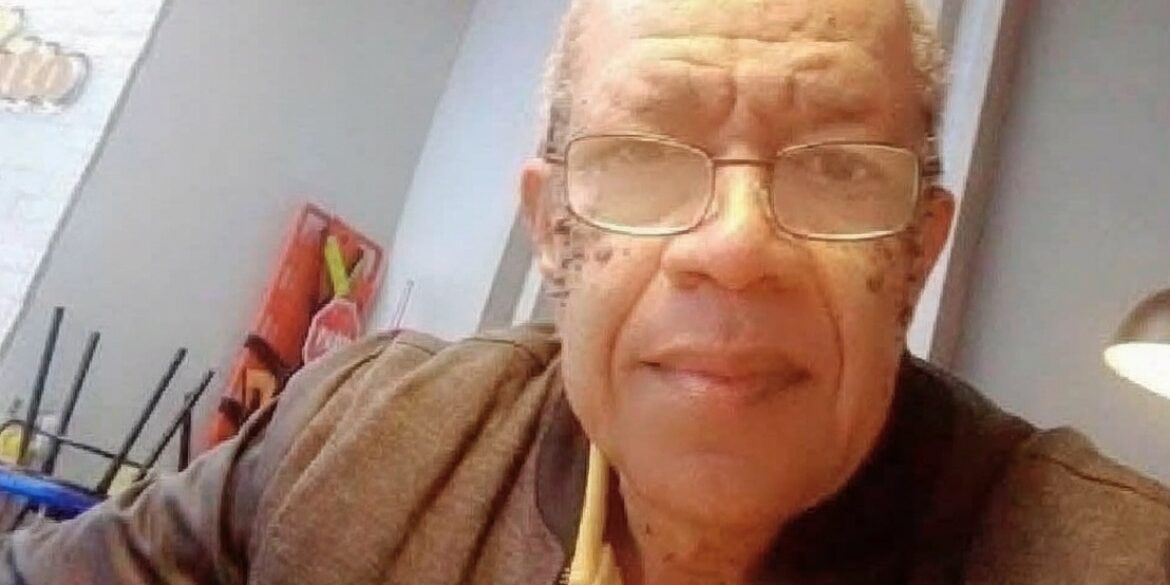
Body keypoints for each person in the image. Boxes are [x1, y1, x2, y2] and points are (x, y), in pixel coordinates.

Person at [4, 0, 1169, 583]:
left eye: (834, 169)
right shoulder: (356, 434)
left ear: (918, 249)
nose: (737, 247)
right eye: (647, 158)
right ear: (552, 231)